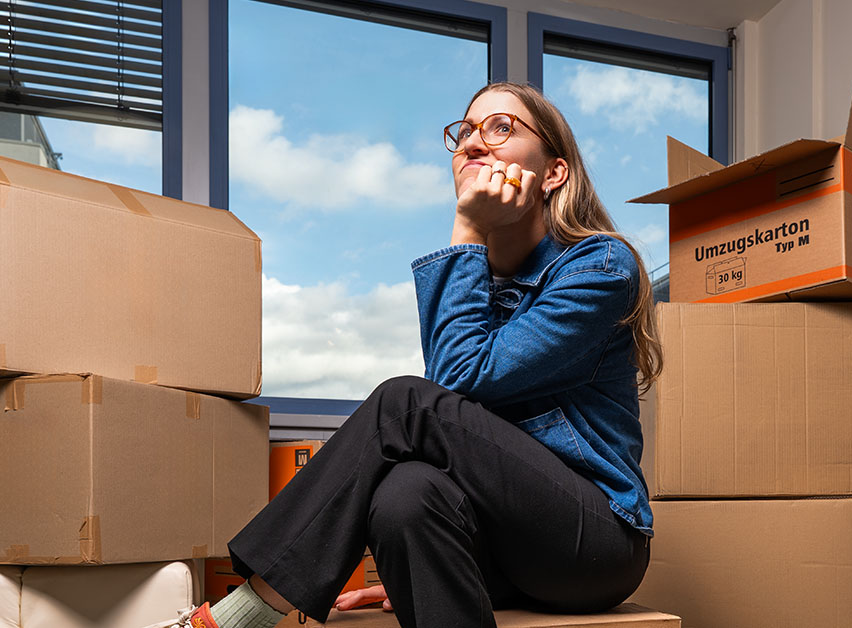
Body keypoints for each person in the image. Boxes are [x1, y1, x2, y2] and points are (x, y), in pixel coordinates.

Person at [151, 82, 663, 628]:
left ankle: (242, 615)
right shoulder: (476, 279)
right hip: (502, 549)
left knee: (406, 403)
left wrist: (468, 229)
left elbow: (455, 383)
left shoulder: (600, 266)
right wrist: (416, 569)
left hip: (593, 545)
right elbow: (457, 419)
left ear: (554, 172)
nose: (471, 144)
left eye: (501, 128)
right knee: (405, 495)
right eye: (465, 132)